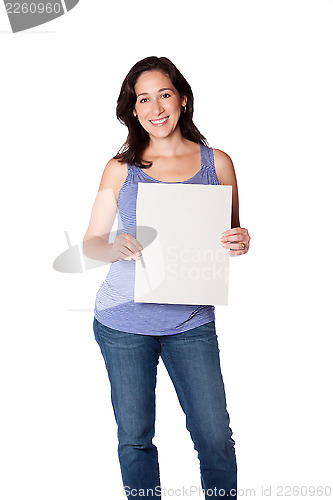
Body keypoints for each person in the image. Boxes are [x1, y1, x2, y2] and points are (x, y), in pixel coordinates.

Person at [83, 56, 251, 499]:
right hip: (122, 322)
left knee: (215, 440)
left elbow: (229, 236)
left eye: (164, 94)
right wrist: (112, 246)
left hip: (191, 320)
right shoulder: (121, 168)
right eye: (144, 99)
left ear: (183, 99)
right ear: (133, 109)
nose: (156, 107)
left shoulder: (218, 163)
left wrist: (242, 240)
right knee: (136, 440)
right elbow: (91, 243)